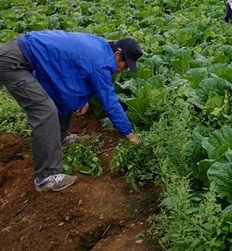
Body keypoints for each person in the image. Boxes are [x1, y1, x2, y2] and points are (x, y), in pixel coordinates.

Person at [0, 30, 143, 192]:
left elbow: (70, 73)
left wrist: (83, 99)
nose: (125, 69)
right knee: (45, 112)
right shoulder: (102, 62)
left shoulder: (99, 47)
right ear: (117, 54)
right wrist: (129, 134)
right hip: (14, 62)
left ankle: (61, 137)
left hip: (18, 54)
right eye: (126, 64)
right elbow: (110, 102)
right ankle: (46, 177)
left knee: (63, 96)